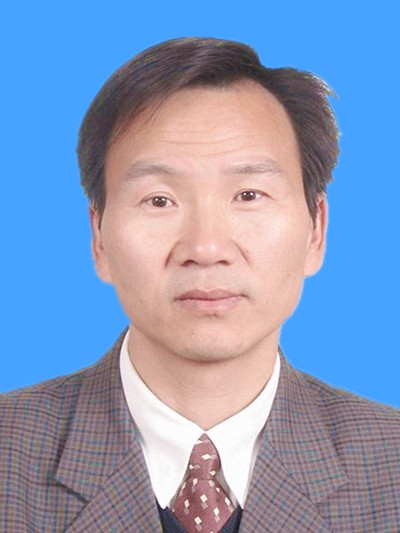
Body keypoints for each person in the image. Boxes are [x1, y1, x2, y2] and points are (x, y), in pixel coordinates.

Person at [1, 37, 399, 533]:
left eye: (248, 194)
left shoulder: (391, 464)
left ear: (315, 231)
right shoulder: (9, 457)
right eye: (159, 200)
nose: (206, 247)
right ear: (98, 236)